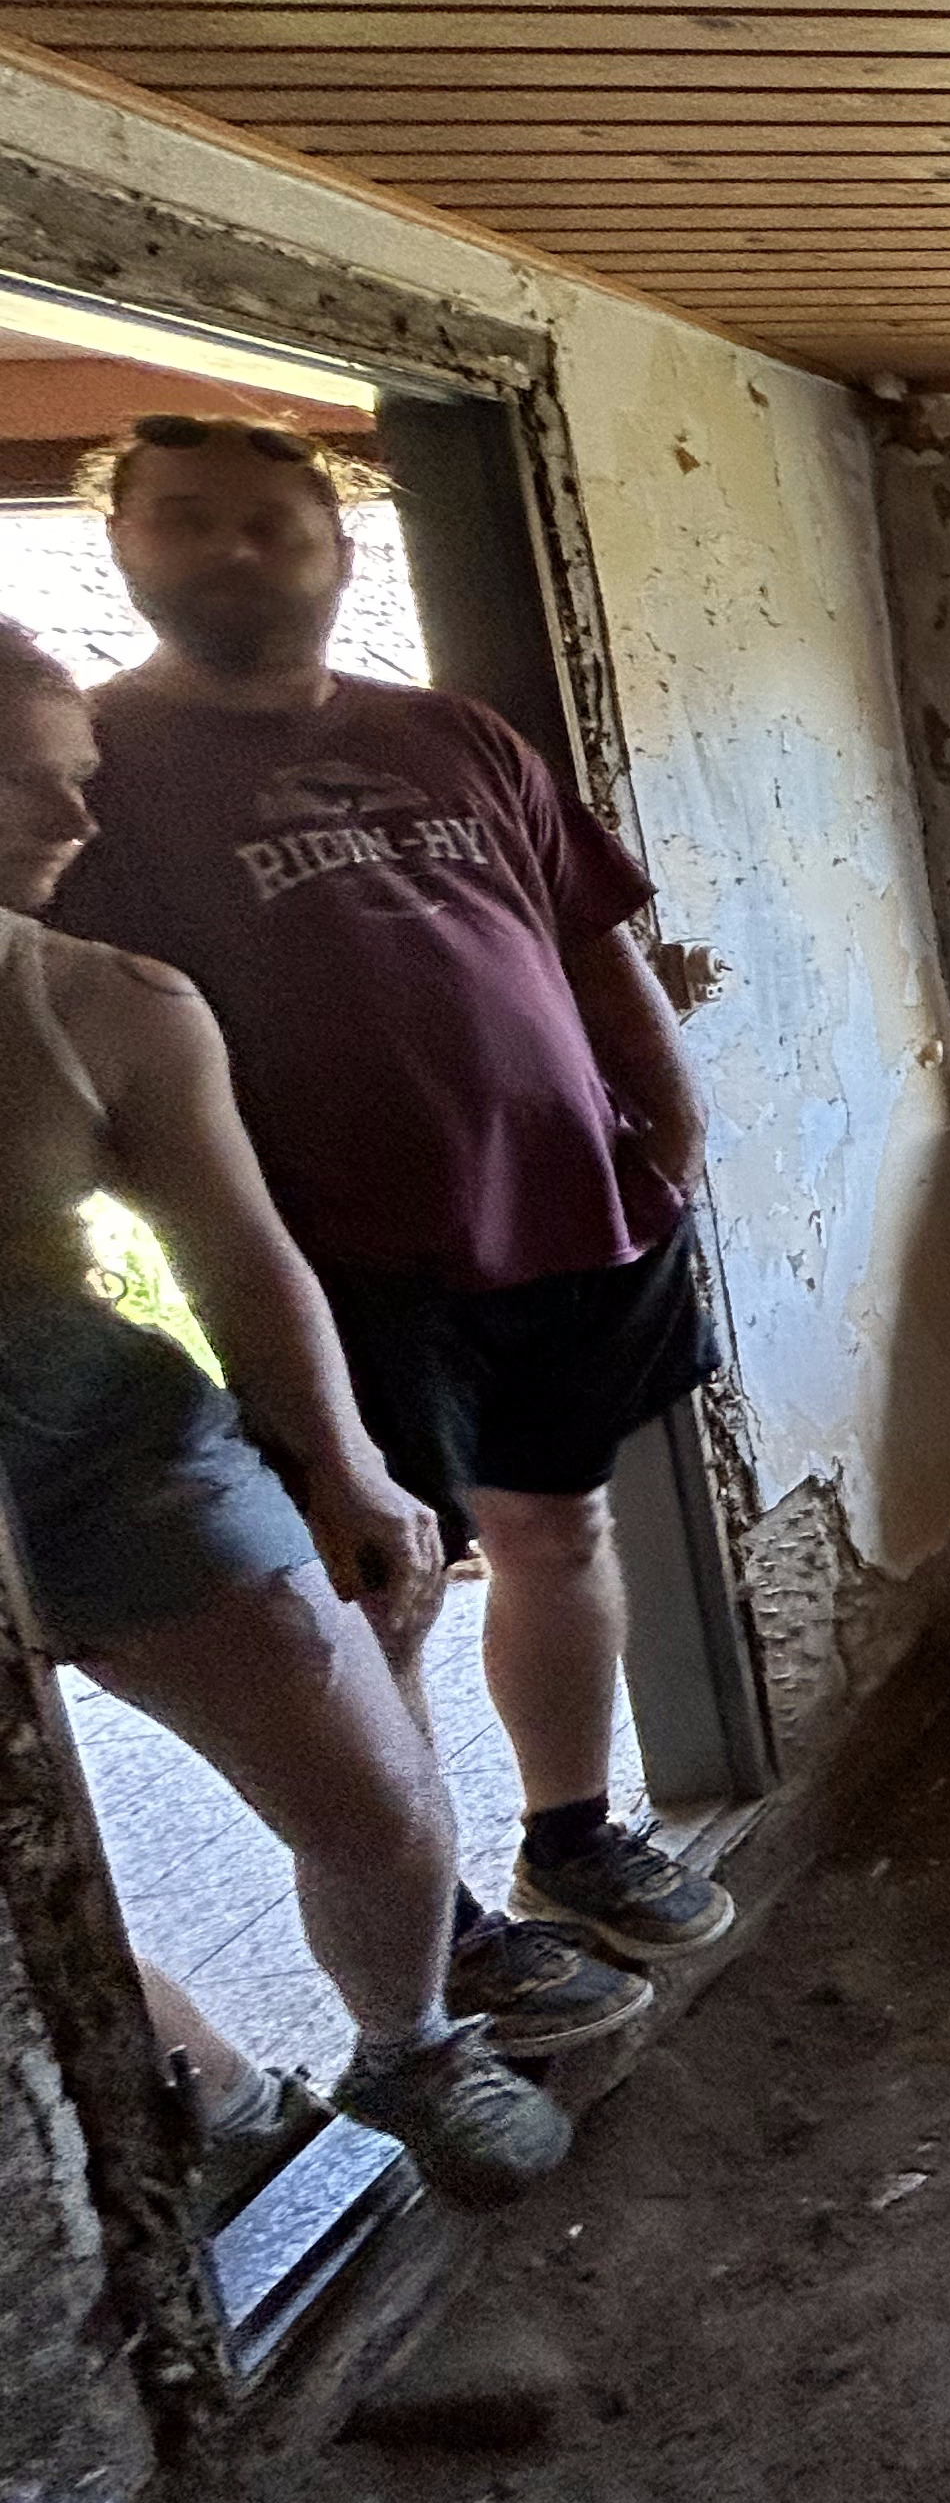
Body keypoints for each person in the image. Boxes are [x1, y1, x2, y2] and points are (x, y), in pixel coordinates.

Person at [48, 415, 733, 2041]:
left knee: (561, 1530)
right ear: (125, 544)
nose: (235, 550)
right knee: (383, 1593)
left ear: (337, 547)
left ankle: (572, 1837)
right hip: (335, 1258)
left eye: (272, 522)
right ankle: (448, 1928)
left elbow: (589, 940)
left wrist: (670, 1131)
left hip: (573, 1212)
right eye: (187, 519)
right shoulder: (94, 768)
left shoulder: (454, 736)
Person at [0, 612, 569, 2204]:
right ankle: (226, 2102)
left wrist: (344, 1467)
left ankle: (412, 2045)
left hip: (101, 1454)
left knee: (375, 1798)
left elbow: (243, 1262)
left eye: (81, 775)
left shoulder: (103, 1002)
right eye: (26, 780)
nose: (77, 817)